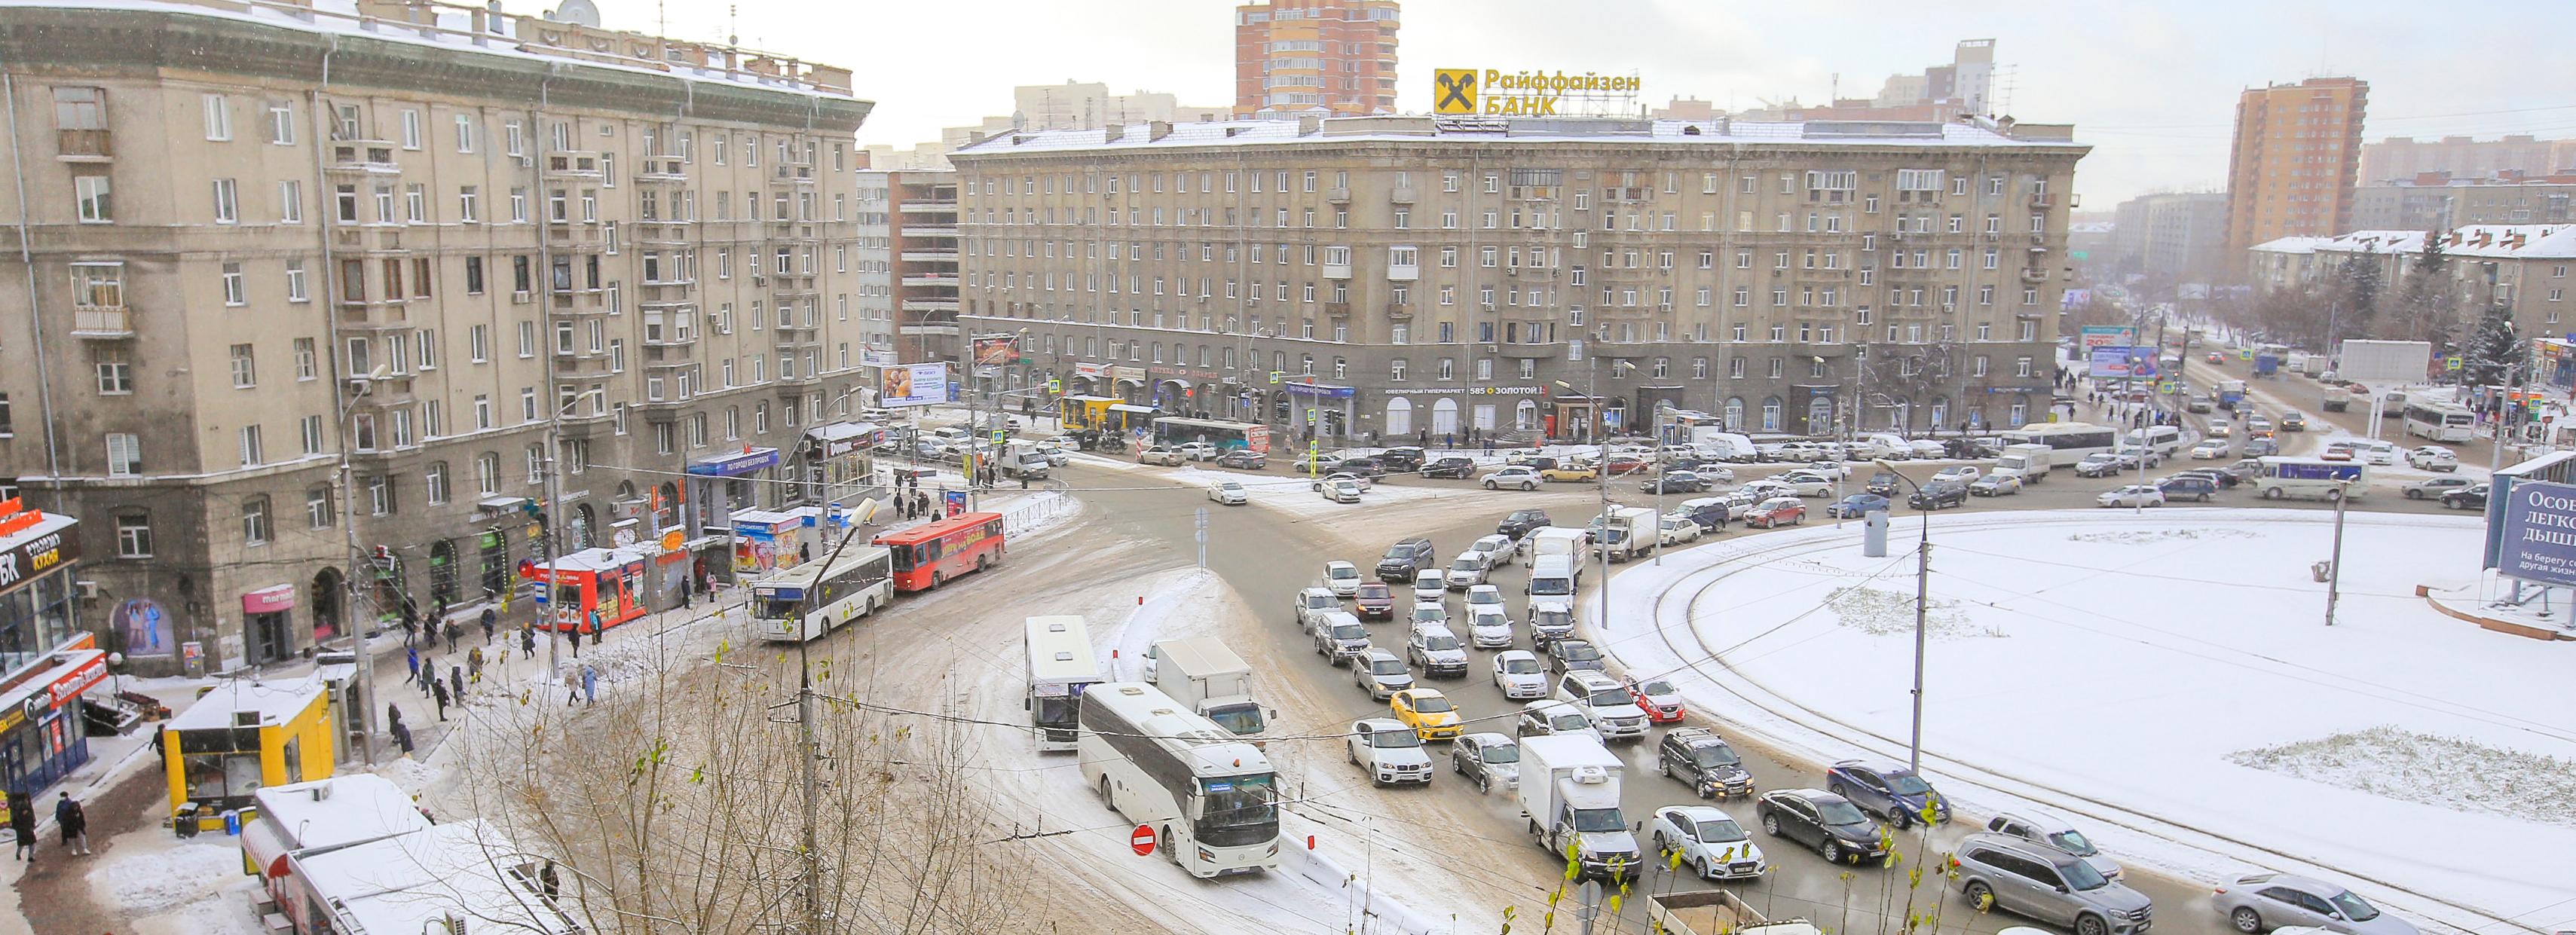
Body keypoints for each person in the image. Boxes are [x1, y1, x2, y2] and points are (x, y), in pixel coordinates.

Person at [56, 791, 87, 855]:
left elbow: (81, 819)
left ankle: (84, 848)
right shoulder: (60, 803)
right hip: (66, 822)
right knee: (69, 835)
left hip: (75, 826)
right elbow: (58, 811)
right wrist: (58, 818)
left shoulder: (69, 803)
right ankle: (66, 842)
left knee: (81, 837)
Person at [9, 791, 35, 862]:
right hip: (27, 829)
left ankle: (19, 854)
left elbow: (14, 823)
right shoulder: (27, 809)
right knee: (31, 843)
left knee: (22, 844)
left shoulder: (16, 811)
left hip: (21, 830)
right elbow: (31, 819)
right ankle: (30, 857)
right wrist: (32, 826)